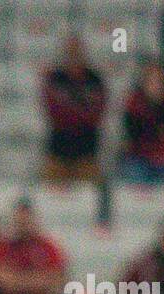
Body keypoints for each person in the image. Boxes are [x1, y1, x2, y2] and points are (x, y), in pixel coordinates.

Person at [40, 35, 109, 183]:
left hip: (87, 151)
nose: (74, 55)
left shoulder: (95, 79)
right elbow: (54, 114)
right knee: (50, 195)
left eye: (77, 51)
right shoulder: (54, 78)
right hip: (58, 150)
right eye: (70, 51)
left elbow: (96, 115)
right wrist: (81, 110)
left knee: (90, 197)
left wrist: (70, 109)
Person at [120, 63, 164, 183]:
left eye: (158, 81)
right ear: (143, 82)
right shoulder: (134, 101)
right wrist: (157, 130)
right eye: (151, 81)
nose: (155, 86)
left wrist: (150, 128)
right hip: (139, 157)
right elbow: (133, 134)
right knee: (132, 173)